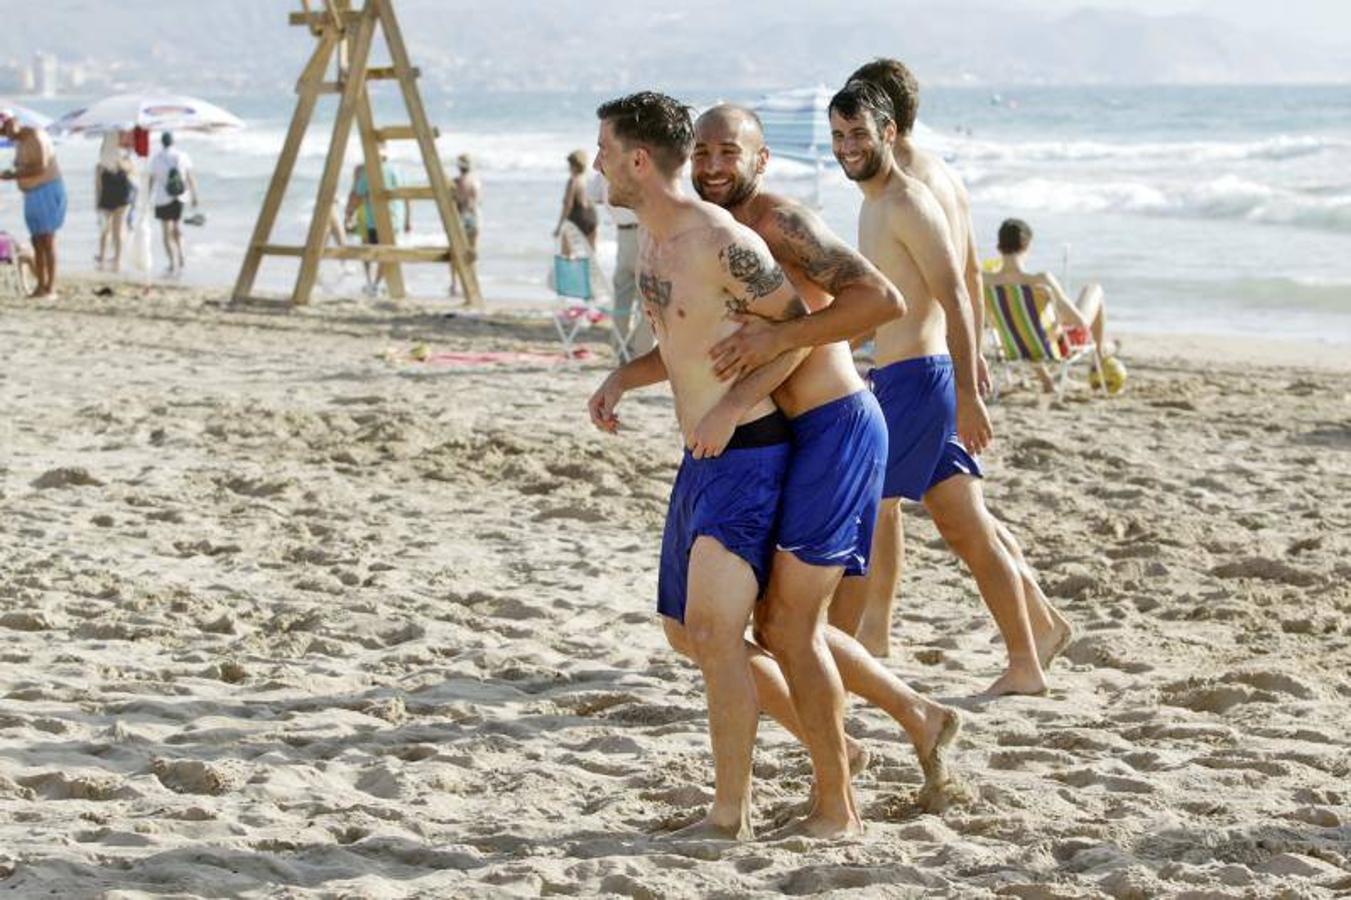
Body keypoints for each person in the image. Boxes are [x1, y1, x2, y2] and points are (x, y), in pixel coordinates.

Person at [687, 104, 962, 838]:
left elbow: (881, 299)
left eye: (727, 152)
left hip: (836, 428)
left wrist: (787, 333)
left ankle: (837, 807)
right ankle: (916, 714)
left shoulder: (777, 220)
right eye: (700, 152)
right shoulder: (716, 233)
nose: (712, 166)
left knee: (788, 625)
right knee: (752, 622)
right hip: (788, 437)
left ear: (760, 158)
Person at [825, 81, 1070, 696]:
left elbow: (958, 290)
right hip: (901, 376)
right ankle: (1026, 662)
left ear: (889, 131)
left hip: (918, 382)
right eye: (838, 136)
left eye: (858, 134)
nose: (848, 146)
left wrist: (968, 390)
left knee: (862, 516)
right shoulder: (873, 201)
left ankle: (844, 657)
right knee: (966, 527)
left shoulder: (908, 201)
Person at [986, 217, 1114, 381]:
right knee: (1094, 289)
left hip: (1014, 348)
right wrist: (1055, 313)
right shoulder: (1041, 280)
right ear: (1026, 245)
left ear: (999, 246)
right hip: (1057, 347)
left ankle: (1101, 352)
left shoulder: (985, 282)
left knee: (1028, 325)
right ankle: (1099, 357)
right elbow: (1079, 322)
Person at [0, 109, 65, 298]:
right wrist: (12, 173)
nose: (6, 133)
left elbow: (41, 166)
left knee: (47, 239)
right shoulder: (19, 142)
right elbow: (24, 166)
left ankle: (50, 287)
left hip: (47, 189)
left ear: (14, 122)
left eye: (6, 127)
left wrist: (13, 175)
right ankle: (40, 285)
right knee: (36, 240)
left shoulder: (35, 136)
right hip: (31, 193)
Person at [588, 169, 652, 354]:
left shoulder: (608, 166)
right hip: (642, 232)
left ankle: (619, 347)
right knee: (646, 297)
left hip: (623, 234)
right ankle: (642, 350)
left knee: (622, 295)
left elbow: (592, 195)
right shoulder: (638, 165)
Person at [345, 154, 410, 297]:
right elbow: (405, 195)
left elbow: (357, 195)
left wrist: (349, 213)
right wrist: (407, 219)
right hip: (394, 219)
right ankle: (380, 283)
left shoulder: (366, 172)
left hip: (374, 220)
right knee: (386, 252)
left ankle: (376, 283)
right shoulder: (396, 170)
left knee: (379, 252)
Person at [148, 131, 199, 277]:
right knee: (177, 227)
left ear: (161, 143)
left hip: (162, 198)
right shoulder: (182, 156)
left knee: (166, 231)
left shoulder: (156, 158)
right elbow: (189, 177)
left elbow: (152, 180)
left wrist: (147, 197)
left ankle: (172, 262)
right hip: (180, 197)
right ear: (173, 142)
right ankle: (182, 255)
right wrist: (194, 195)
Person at [94, 132, 135, 274]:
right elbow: (98, 177)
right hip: (112, 184)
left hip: (118, 185)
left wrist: (121, 164)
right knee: (107, 228)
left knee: (115, 227)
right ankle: (105, 257)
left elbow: (131, 169)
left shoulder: (120, 143)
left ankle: (115, 258)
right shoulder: (119, 141)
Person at [554, 148, 597, 256]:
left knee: (567, 255)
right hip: (592, 216)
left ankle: (571, 272)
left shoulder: (573, 181)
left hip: (578, 216)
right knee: (591, 255)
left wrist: (559, 226)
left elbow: (568, 204)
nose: (568, 168)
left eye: (570, 165)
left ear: (574, 166)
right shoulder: (588, 179)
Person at [450, 153, 480, 299]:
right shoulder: (476, 182)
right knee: (471, 250)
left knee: (456, 251)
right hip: (474, 217)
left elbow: (453, 201)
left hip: (460, 217)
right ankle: (472, 280)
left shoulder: (455, 182)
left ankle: (454, 283)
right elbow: (478, 202)